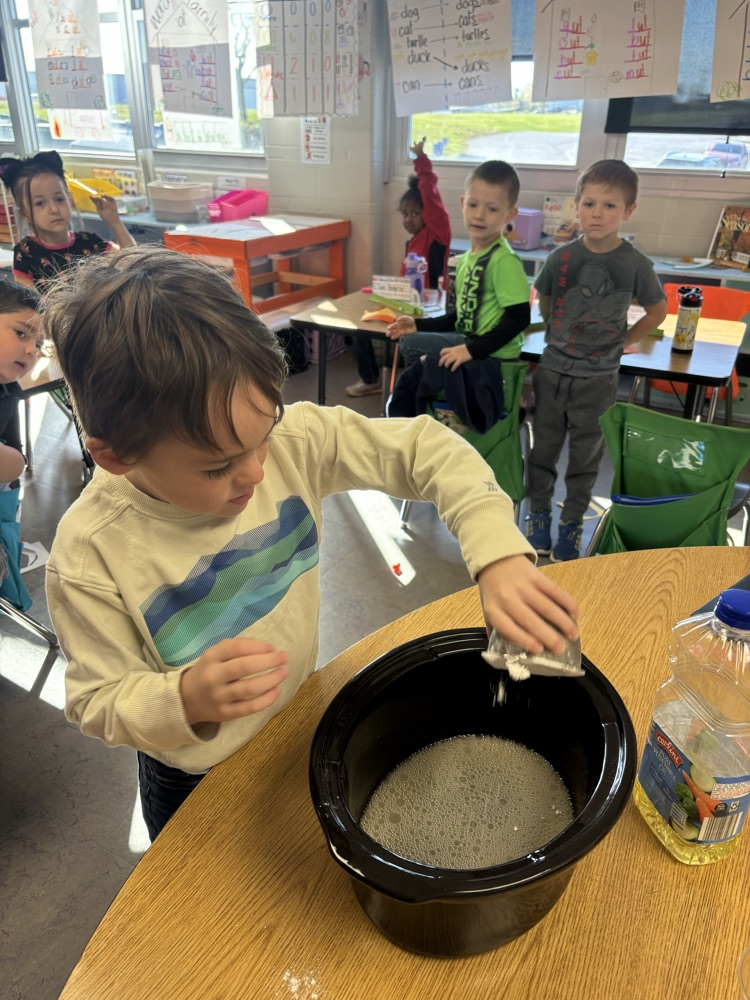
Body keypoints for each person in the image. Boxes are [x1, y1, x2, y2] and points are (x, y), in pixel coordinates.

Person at [43, 245, 579, 842]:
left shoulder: (294, 440)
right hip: (193, 776)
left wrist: (499, 555)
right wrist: (184, 698)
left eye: (263, 434)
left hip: (301, 714)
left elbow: (425, 449)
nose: (254, 472)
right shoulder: (91, 555)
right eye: (218, 466)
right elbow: (96, 699)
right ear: (115, 457)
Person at [525, 159, 667, 563]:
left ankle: (571, 523)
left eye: (609, 205)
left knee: (585, 460)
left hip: (598, 381)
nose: (597, 214)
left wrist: (623, 341)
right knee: (543, 453)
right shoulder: (561, 258)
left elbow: (657, 312)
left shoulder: (635, 263)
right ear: (576, 205)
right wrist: (560, 334)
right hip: (552, 373)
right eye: (589, 204)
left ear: (628, 211)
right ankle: (538, 517)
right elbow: (546, 303)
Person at [385, 160, 530, 373]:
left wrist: (470, 350)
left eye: (492, 209)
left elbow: (519, 318)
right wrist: (418, 325)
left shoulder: (503, 259)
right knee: (411, 342)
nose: (479, 215)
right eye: (473, 205)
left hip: (493, 357)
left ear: (509, 215)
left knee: (411, 347)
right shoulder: (465, 261)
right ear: (463, 204)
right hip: (469, 341)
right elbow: (461, 318)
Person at [346, 137, 451, 397]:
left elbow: (432, 198)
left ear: (427, 214)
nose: (408, 219)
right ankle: (371, 380)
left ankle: (411, 383)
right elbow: (407, 282)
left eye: (415, 213)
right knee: (360, 323)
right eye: (404, 214)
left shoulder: (437, 234)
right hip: (408, 304)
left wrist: (421, 160)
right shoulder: (413, 242)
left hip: (430, 309)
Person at [0, 150, 136, 292]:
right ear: (25, 213)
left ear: (69, 201)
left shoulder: (89, 243)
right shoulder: (26, 253)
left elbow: (134, 261)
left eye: (59, 199)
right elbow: (27, 307)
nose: (54, 209)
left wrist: (115, 222)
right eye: (40, 203)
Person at [0, 279, 42, 592]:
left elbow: (16, 464)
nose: (31, 349)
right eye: (21, 333)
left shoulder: (8, 392)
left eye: (39, 343)